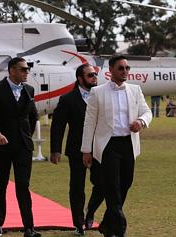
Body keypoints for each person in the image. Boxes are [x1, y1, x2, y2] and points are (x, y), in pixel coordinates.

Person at [81, 55, 152, 237]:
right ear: (110, 70)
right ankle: (119, 229)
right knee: (112, 187)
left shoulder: (135, 90)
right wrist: (86, 150)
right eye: (121, 68)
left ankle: (106, 224)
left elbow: (147, 112)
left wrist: (141, 122)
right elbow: (89, 123)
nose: (125, 71)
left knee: (125, 184)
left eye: (127, 68)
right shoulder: (97, 92)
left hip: (128, 144)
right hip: (108, 145)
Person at [0, 57, 41, 237]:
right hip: (1, 146)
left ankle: (29, 228)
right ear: (12, 70)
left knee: (23, 185)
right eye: (23, 69)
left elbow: (33, 116)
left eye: (27, 70)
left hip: (23, 146)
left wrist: (26, 136)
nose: (26, 73)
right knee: (0, 185)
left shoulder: (29, 90)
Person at [50, 64, 104, 236]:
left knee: (103, 183)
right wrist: (55, 150)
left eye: (95, 75)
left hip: (100, 148)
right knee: (77, 187)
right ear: (80, 78)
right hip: (76, 150)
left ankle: (90, 213)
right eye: (90, 75)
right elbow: (58, 125)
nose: (94, 78)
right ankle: (78, 223)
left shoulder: (102, 95)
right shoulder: (67, 99)